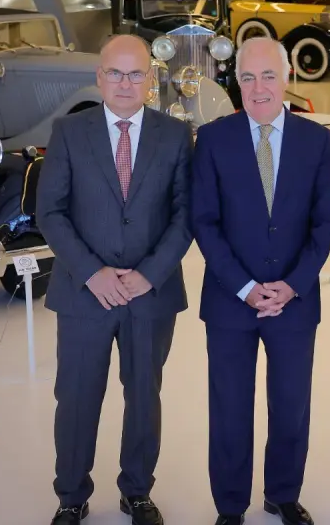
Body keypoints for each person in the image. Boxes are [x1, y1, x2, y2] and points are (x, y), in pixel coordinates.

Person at [38, 34, 194, 525]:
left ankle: (137, 492)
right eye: (115, 73)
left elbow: (186, 215)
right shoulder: (68, 132)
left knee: (144, 397)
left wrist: (149, 274)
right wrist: (92, 273)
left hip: (150, 295)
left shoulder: (175, 135)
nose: (125, 83)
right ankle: (71, 495)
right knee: (77, 397)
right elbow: (50, 212)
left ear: (151, 79)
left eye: (136, 74)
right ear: (99, 77)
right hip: (83, 293)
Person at [191, 37, 330, 525]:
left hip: (294, 302)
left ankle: (283, 494)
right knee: (230, 408)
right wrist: (244, 287)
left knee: (291, 405)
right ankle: (230, 505)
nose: (258, 88)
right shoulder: (213, 139)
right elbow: (205, 222)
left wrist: (292, 285)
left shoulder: (316, 141)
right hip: (230, 302)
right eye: (248, 77)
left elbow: (324, 222)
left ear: (287, 76)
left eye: (268, 76)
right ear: (236, 81)